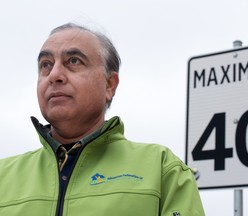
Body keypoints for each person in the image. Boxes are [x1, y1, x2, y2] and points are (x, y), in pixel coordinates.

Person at [0, 23, 205, 216]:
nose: (54, 75)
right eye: (46, 65)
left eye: (73, 61)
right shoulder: (3, 177)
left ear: (109, 85)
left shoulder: (163, 170)